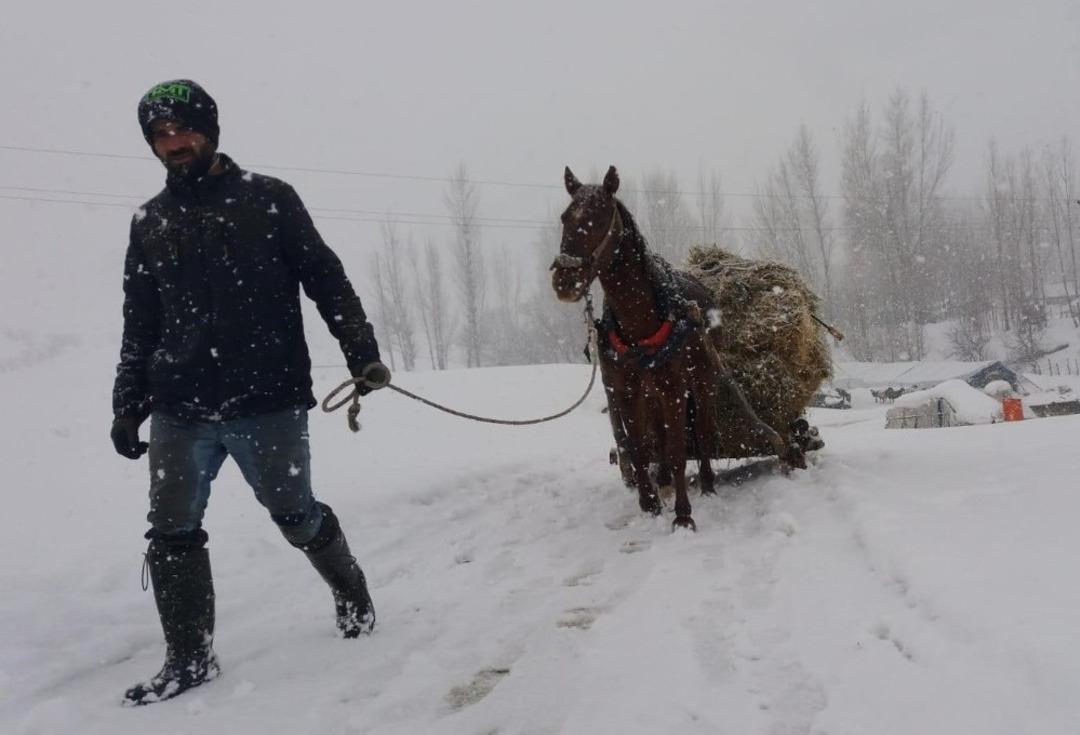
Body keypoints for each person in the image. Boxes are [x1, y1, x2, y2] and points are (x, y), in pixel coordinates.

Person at [111, 79, 390, 706]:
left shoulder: (269, 200)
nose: (174, 143)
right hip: (180, 405)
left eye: (184, 129)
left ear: (210, 131)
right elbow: (140, 320)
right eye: (161, 134)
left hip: (267, 398)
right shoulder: (150, 221)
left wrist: (362, 353)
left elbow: (326, 278)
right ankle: (189, 658)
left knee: (296, 515)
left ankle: (351, 590)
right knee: (171, 530)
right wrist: (128, 404)